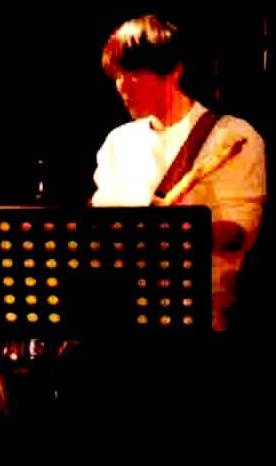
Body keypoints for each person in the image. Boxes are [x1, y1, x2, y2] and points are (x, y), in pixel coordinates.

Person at [91, 14, 267, 333]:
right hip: (121, 314)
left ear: (173, 70)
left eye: (135, 73)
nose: (122, 86)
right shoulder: (118, 142)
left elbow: (238, 235)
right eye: (118, 75)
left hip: (196, 317)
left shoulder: (231, 136)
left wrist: (173, 230)